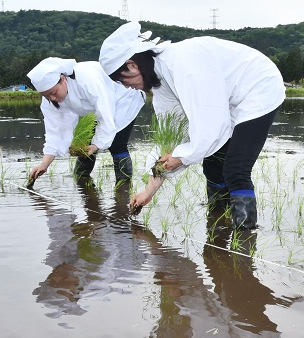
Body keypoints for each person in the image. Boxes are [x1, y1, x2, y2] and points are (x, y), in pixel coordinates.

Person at [98, 21, 285, 230]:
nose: (127, 87)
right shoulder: (161, 84)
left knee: (236, 169)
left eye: (122, 80)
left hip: (257, 87)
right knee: (213, 165)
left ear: (132, 65)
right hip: (228, 99)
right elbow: (170, 139)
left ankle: (244, 237)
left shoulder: (184, 65)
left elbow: (210, 127)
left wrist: (181, 158)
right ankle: (218, 225)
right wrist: (148, 192)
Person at [26, 57, 145, 190]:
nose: (52, 98)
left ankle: (123, 189)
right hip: (94, 108)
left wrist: (96, 145)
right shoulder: (50, 100)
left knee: (117, 144)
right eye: (47, 95)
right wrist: (44, 164)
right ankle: (83, 182)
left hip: (122, 98)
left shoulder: (87, 80)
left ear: (63, 79)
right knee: (84, 145)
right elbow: (56, 132)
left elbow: (105, 114)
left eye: (53, 93)